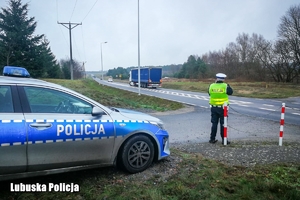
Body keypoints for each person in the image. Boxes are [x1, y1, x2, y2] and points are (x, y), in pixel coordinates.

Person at [208, 73, 233, 144]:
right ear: (223, 79)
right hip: (223, 108)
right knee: (223, 124)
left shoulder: (211, 85)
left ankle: (212, 139)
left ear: (216, 78)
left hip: (213, 107)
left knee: (214, 123)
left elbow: (209, 93)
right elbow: (231, 92)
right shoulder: (225, 86)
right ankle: (224, 140)